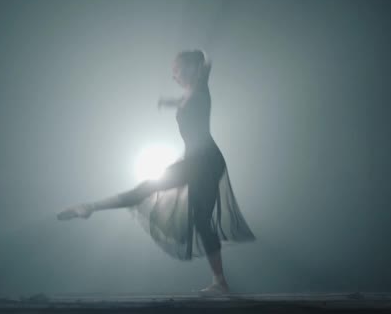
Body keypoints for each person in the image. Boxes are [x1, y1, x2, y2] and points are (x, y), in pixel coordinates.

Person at [57, 50, 255, 296]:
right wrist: (170, 102)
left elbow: (208, 59)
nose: (175, 77)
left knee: (189, 212)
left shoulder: (201, 87)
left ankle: (220, 282)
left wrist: (200, 58)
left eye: (178, 70)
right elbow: (186, 104)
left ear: (194, 68)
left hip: (205, 161)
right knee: (189, 213)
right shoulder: (188, 95)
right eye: (173, 73)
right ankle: (89, 207)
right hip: (197, 161)